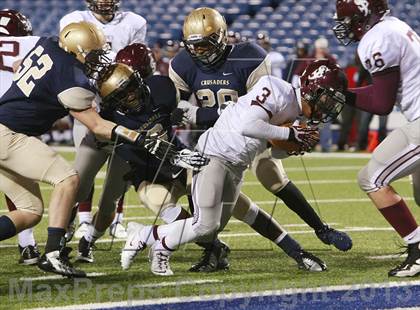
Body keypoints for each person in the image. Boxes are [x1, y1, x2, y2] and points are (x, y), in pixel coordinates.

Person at [121, 60, 349, 275]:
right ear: (313, 89)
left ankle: (150, 239)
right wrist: (290, 133)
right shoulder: (276, 88)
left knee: (212, 229)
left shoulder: (295, 115)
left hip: (237, 164)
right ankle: (152, 241)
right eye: (329, 99)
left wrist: (292, 148)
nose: (329, 107)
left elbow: (273, 150)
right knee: (203, 225)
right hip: (214, 153)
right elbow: (249, 126)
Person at [169, 7, 352, 272]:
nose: (200, 53)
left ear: (221, 38)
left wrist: (287, 138)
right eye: (194, 47)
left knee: (272, 175)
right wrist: (189, 115)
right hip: (216, 138)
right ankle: (211, 248)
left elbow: (258, 112)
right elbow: (176, 109)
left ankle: (320, 229)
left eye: (205, 45)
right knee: (198, 191)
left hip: (257, 130)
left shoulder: (248, 57)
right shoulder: (183, 64)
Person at [0, 21, 154, 277]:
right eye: (92, 54)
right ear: (77, 50)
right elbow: (97, 126)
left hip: (5, 129)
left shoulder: (47, 44)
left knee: (30, 211)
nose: (96, 58)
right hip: (8, 134)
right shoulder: (71, 77)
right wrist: (136, 137)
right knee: (67, 178)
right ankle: (52, 255)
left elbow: (19, 67)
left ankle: (51, 252)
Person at [334, 0, 420, 277]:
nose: (344, 26)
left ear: (362, 16)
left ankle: (418, 251)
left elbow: (382, 103)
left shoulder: (377, 38)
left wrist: (342, 94)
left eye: (347, 20)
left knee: (371, 178)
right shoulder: (394, 26)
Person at [60, 0, 147, 239]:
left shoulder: (135, 22)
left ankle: (115, 219)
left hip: (121, 104)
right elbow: (70, 63)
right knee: (83, 170)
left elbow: (135, 64)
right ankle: (82, 218)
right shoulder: (72, 20)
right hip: (88, 103)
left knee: (122, 168)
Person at [0, 9, 41, 266]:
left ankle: (27, 244)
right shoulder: (27, 49)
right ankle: (27, 243)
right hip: (10, 124)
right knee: (24, 191)